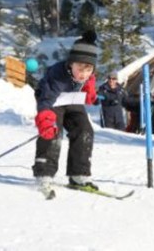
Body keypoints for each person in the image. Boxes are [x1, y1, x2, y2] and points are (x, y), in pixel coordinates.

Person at [32, 31, 99, 196]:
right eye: (80, 69)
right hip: (52, 101)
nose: (83, 74)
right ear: (71, 64)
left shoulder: (86, 76)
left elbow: (87, 82)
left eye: (88, 69)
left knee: (84, 130)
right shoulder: (58, 76)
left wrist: (89, 89)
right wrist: (46, 120)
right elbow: (46, 100)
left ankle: (78, 175)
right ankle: (44, 174)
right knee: (54, 132)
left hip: (71, 100)